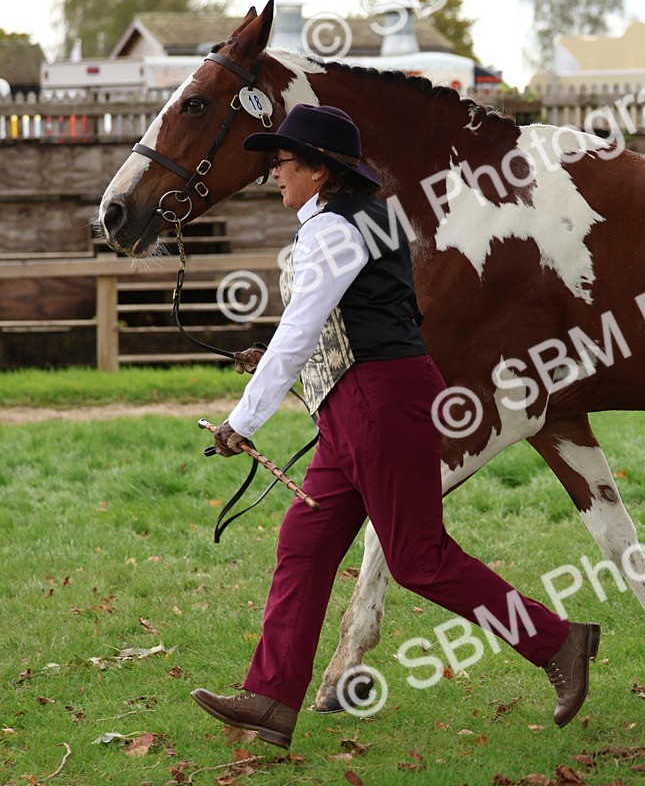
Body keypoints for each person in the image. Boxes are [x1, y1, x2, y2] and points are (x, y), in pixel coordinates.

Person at [190, 104, 600, 749]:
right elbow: (337, 315)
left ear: (320, 169)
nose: (273, 174)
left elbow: (302, 328)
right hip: (355, 408)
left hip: (380, 403)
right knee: (304, 543)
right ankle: (271, 699)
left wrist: (244, 419)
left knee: (418, 558)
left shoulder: (331, 227)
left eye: (283, 162)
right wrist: (270, 361)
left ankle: (559, 642)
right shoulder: (361, 218)